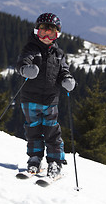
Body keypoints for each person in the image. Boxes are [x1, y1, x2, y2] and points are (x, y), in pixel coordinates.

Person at [16, 12, 75, 178]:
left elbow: (63, 70)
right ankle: (35, 158)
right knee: (33, 130)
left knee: (52, 131)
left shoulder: (59, 54)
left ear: (57, 35)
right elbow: (21, 63)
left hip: (50, 100)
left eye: (52, 33)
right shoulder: (30, 49)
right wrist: (25, 69)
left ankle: (55, 162)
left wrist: (67, 79)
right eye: (43, 32)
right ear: (37, 32)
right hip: (29, 98)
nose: (47, 37)